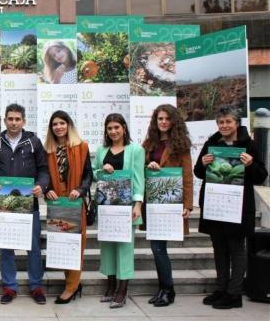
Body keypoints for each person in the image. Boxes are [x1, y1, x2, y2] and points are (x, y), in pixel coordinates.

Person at [194, 105, 267, 309]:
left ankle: (234, 293)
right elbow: (199, 172)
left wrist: (251, 164)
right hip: (215, 204)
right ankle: (221, 288)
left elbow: (261, 176)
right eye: (221, 122)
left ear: (237, 123)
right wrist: (203, 162)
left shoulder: (249, 145)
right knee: (219, 249)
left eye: (228, 121)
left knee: (237, 249)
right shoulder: (211, 143)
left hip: (238, 206)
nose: (224, 125)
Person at [0, 103, 49, 305]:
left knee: (33, 248)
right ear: (4, 120)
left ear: (24, 121)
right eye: (10, 119)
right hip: (4, 204)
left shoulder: (34, 142)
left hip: (29, 203)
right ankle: (9, 287)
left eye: (17, 119)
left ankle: (36, 286)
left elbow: (44, 170)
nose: (13, 122)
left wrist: (41, 185)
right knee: (6, 247)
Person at [141, 104, 193, 307]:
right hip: (153, 202)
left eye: (167, 119)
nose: (163, 122)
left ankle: (168, 290)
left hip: (171, 202)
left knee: (159, 248)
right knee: (156, 247)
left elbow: (187, 175)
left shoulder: (181, 144)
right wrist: (149, 166)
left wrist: (188, 204)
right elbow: (140, 170)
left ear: (174, 121)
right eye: (159, 119)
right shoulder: (148, 144)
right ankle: (164, 289)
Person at [92, 113, 145, 309]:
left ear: (124, 128)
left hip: (126, 207)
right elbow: (94, 173)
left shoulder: (136, 150)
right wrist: (101, 170)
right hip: (106, 207)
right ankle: (111, 285)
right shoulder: (101, 150)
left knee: (124, 248)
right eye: (109, 128)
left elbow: (139, 178)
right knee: (107, 248)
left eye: (116, 127)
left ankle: (122, 289)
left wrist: (138, 204)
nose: (113, 131)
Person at [43, 110, 92, 304]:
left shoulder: (81, 147)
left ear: (69, 125)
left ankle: (71, 287)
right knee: (62, 244)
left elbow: (89, 175)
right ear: (51, 128)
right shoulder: (48, 151)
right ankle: (72, 282)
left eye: (62, 123)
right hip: (57, 203)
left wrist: (80, 189)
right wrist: (47, 189)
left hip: (74, 201)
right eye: (55, 124)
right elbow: (43, 175)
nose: (59, 127)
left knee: (75, 245)